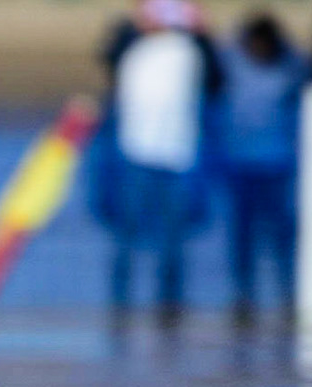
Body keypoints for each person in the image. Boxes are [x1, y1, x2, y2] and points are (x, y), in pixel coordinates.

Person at [91, 0, 224, 318]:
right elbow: (107, 57)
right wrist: (134, 24)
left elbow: (217, 81)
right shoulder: (133, 49)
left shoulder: (188, 50)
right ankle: (119, 305)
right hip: (134, 154)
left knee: (172, 239)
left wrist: (203, 33)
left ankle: (169, 307)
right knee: (126, 234)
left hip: (177, 158)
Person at [219, 13, 307, 320]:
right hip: (239, 166)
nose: (259, 49)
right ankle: (243, 298)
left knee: (282, 236)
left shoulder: (293, 64)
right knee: (242, 237)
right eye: (254, 43)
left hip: (278, 167)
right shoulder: (229, 60)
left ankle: (289, 296)